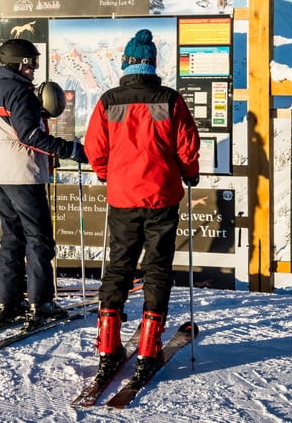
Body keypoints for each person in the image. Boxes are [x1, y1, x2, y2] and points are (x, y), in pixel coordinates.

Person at [83, 28, 200, 383]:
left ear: (126, 64)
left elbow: (95, 148)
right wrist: (189, 174)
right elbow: (187, 146)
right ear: (152, 64)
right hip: (162, 196)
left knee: (118, 266)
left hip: (122, 197)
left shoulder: (109, 100)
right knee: (158, 268)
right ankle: (149, 348)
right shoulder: (169, 99)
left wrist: (107, 174)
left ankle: (107, 345)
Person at [0, 39, 88, 330]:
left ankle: (9, 303)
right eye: (31, 63)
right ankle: (41, 304)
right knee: (39, 239)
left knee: (11, 239)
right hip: (23, 173)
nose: (33, 70)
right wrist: (69, 149)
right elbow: (30, 135)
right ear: (19, 63)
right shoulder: (21, 93)